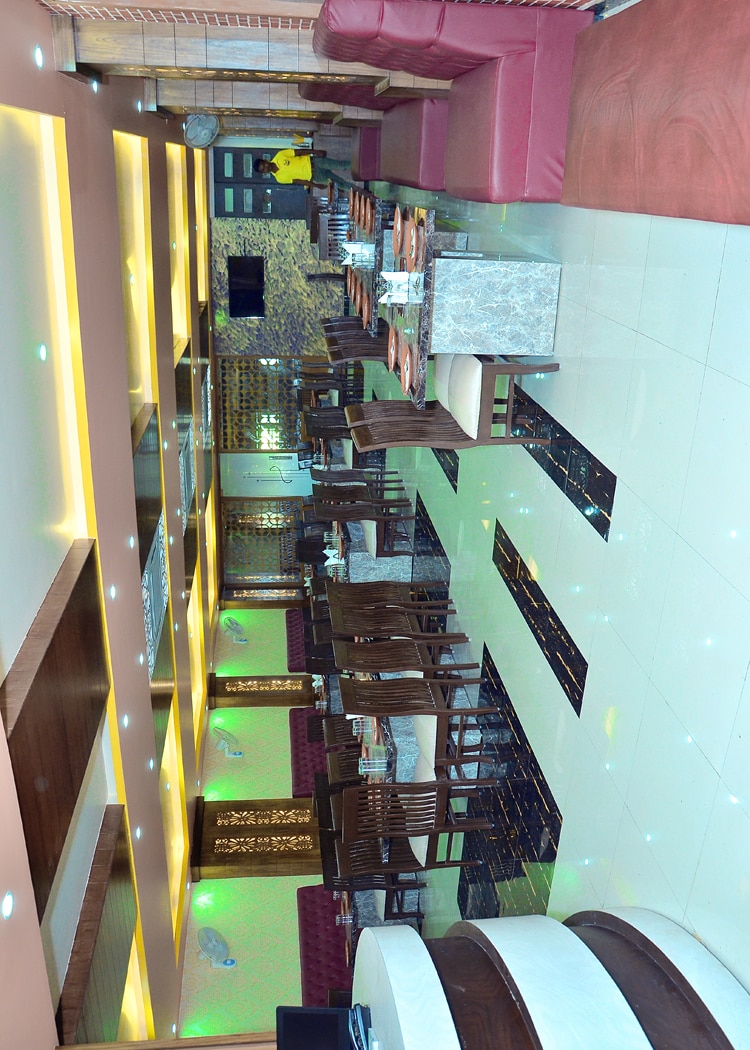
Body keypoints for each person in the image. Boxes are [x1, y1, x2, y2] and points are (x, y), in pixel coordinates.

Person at [254, 148, 348, 190]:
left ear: (265, 160)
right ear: (264, 173)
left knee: (341, 165)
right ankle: (356, 191)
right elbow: (299, 181)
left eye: (264, 165)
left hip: (315, 162)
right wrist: (315, 185)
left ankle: (357, 166)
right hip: (316, 177)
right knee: (340, 185)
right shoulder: (279, 178)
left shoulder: (280, 155)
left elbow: (299, 152)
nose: (266, 167)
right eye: (263, 169)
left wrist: (316, 152)